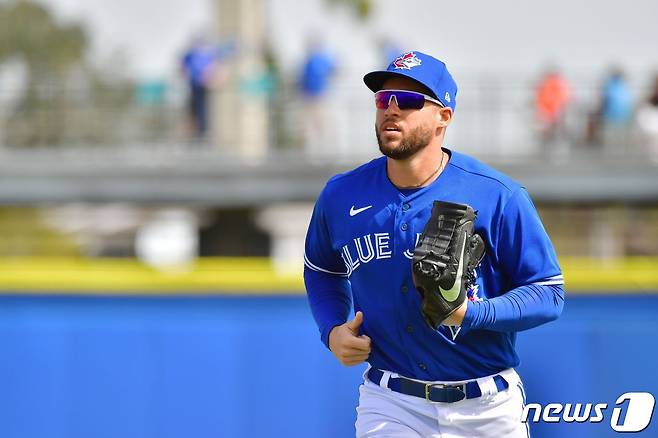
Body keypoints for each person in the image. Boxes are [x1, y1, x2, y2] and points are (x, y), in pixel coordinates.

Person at [303, 51, 565, 437]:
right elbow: (321, 270)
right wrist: (331, 329)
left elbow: (548, 293)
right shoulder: (341, 194)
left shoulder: (497, 195)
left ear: (444, 116)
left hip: (487, 407)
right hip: (391, 402)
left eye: (408, 101)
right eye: (383, 99)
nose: (391, 110)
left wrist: (473, 314)